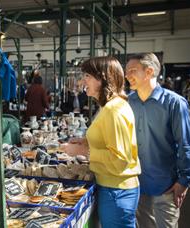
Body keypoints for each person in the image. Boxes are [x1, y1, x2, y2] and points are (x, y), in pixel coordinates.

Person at [70, 56, 141, 228]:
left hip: (116, 190)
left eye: (87, 76)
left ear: (102, 78)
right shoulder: (109, 106)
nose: (83, 81)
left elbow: (119, 158)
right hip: (113, 188)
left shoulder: (113, 110)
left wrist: (82, 152)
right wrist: (85, 142)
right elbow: (108, 140)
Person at [125, 53, 190, 228]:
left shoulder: (175, 103)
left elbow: (186, 144)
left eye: (132, 70)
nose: (127, 75)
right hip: (137, 183)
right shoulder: (127, 103)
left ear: (149, 72)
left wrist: (184, 181)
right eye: (127, 71)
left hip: (167, 185)